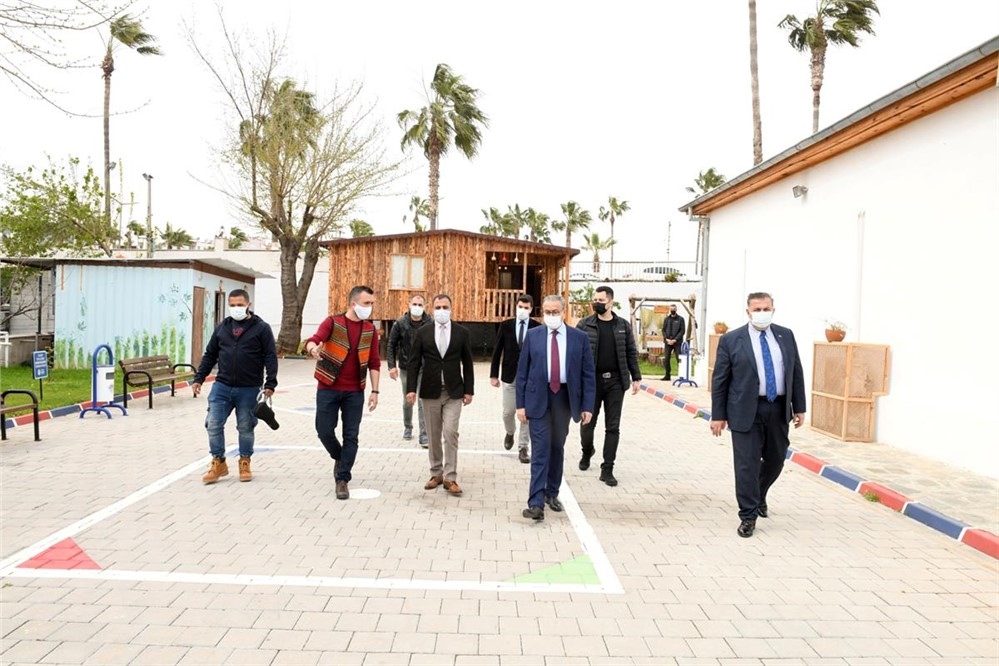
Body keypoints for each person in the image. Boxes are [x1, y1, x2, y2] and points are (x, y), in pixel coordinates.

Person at [710, 292, 806, 538]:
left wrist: (800, 407)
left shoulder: (786, 335)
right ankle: (748, 515)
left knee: (776, 459)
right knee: (746, 465)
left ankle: (759, 492)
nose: (762, 312)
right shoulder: (732, 340)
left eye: (766, 308)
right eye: (757, 308)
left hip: (777, 407)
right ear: (748, 312)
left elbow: (796, 371)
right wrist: (718, 415)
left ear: (773, 309)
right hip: (744, 411)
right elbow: (720, 380)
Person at [517, 295, 596, 521]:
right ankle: (535, 502)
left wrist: (587, 406)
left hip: (564, 399)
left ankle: (552, 493)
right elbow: (522, 373)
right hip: (538, 399)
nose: (550, 316)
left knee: (556, 448)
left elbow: (587, 375)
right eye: (547, 312)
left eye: (555, 312)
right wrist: (521, 405)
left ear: (564, 312)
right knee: (540, 449)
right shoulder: (533, 336)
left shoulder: (579, 338)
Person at [193, 289, 278, 485]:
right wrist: (199, 377)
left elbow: (270, 357)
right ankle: (218, 462)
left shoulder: (261, 328)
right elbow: (210, 354)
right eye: (233, 305)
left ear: (248, 305)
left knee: (245, 427)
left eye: (240, 304)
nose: (236, 308)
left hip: (249, 388)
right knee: (213, 424)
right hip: (222, 386)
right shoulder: (223, 327)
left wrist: (270, 383)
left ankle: (244, 461)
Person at [304, 285, 381, 501]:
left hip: (355, 391)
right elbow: (314, 339)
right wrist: (312, 349)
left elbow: (374, 362)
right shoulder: (333, 322)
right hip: (328, 387)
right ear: (353, 303)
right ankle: (339, 456)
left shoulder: (370, 329)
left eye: (372, 304)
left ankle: (342, 479)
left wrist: (375, 391)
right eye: (367, 303)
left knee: (351, 435)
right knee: (323, 430)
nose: (370, 308)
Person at [407, 294, 474, 496]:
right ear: (432, 309)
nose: (441, 310)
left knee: (450, 432)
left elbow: (468, 362)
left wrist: (469, 390)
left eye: (445, 307)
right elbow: (414, 362)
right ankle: (436, 473)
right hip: (430, 390)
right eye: (438, 307)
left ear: (451, 309)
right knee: (434, 435)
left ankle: (450, 477)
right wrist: (410, 389)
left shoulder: (462, 332)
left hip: (454, 391)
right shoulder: (423, 332)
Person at [576, 285, 641, 487]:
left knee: (612, 427)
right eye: (595, 300)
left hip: (615, 382)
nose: (597, 303)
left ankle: (607, 469)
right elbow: (574, 353)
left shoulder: (622, 325)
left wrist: (636, 377)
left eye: (601, 301)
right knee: (587, 423)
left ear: (611, 302)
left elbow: (631, 351)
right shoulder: (584, 325)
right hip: (591, 382)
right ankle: (587, 451)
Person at [489, 294, 542, 464]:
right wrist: (493, 375)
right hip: (509, 375)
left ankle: (523, 447)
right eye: (520, 307)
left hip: (530, 377)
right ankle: (510, 432)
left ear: (531, 309)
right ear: (516, 307)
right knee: (508, 412)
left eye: (526, 308)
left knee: (526, 414)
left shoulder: (537, 327)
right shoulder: (506, 326)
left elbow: (541, 354)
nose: (523, 310)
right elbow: (497, 350)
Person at [387, 294, 432, 447]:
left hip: (424, 367)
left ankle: (424, 434)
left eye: (420, 304)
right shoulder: (400, 323)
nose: (417, 307)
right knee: (408, 399)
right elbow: (391, 345)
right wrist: (391, 366)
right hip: (406, 367)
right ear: (409, 304)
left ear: (425, 306)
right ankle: (408, 426)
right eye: (415, 303)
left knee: (422, 400)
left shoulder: (430, 322)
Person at [661, 303, 686, 381]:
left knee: (679, 359)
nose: (672, 311)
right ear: (669, 310)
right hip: (668, 342)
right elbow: (663, 330)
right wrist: (666, 339)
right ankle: (667, 375)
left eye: (674, 310)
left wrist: (675, 339)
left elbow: (682, 331)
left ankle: (682, 376)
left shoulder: (681, 319)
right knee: (666, 358)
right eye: (671, 310)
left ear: (676, 310)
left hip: (677, 342)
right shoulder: (666, 319)